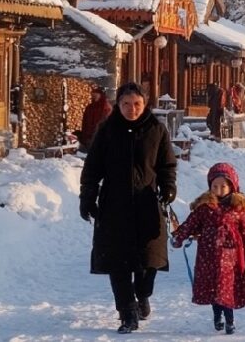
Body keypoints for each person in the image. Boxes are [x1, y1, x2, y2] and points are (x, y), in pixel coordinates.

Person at [80, 82, 178, 334]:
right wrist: (88, 197)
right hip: (114, 207)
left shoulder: (156, 130)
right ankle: (127, 312)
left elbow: (167, 165)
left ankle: (142, 293)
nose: (131, 109)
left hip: (147, 205)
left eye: (136, 104)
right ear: (117, 105)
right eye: (125, 104)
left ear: (145, 104)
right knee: (118, 262)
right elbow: (92, 169)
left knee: (150, 262)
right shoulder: (107, 130)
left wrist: (168, 188)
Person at [172, 163, 245, 335]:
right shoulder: (204, 207)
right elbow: (190, 225)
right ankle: (216, 316)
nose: (218, 189)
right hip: (208, 259)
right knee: (214, 291)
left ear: (232, 186)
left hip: (231, 259)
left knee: (226, 290)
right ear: (210, 186)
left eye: (223, 186)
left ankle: (230, 320)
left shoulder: (239, 208)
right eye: (215, 186)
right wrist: (178, 237)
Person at [79, 87, 112, 152]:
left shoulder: (107, 108)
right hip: (89, 139)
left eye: (96, 95)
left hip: (101, 140)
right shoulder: (89, 107)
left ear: (101, 95)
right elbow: (84, 123)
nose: (93, 96)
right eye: (93, 95)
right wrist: (84, 137)